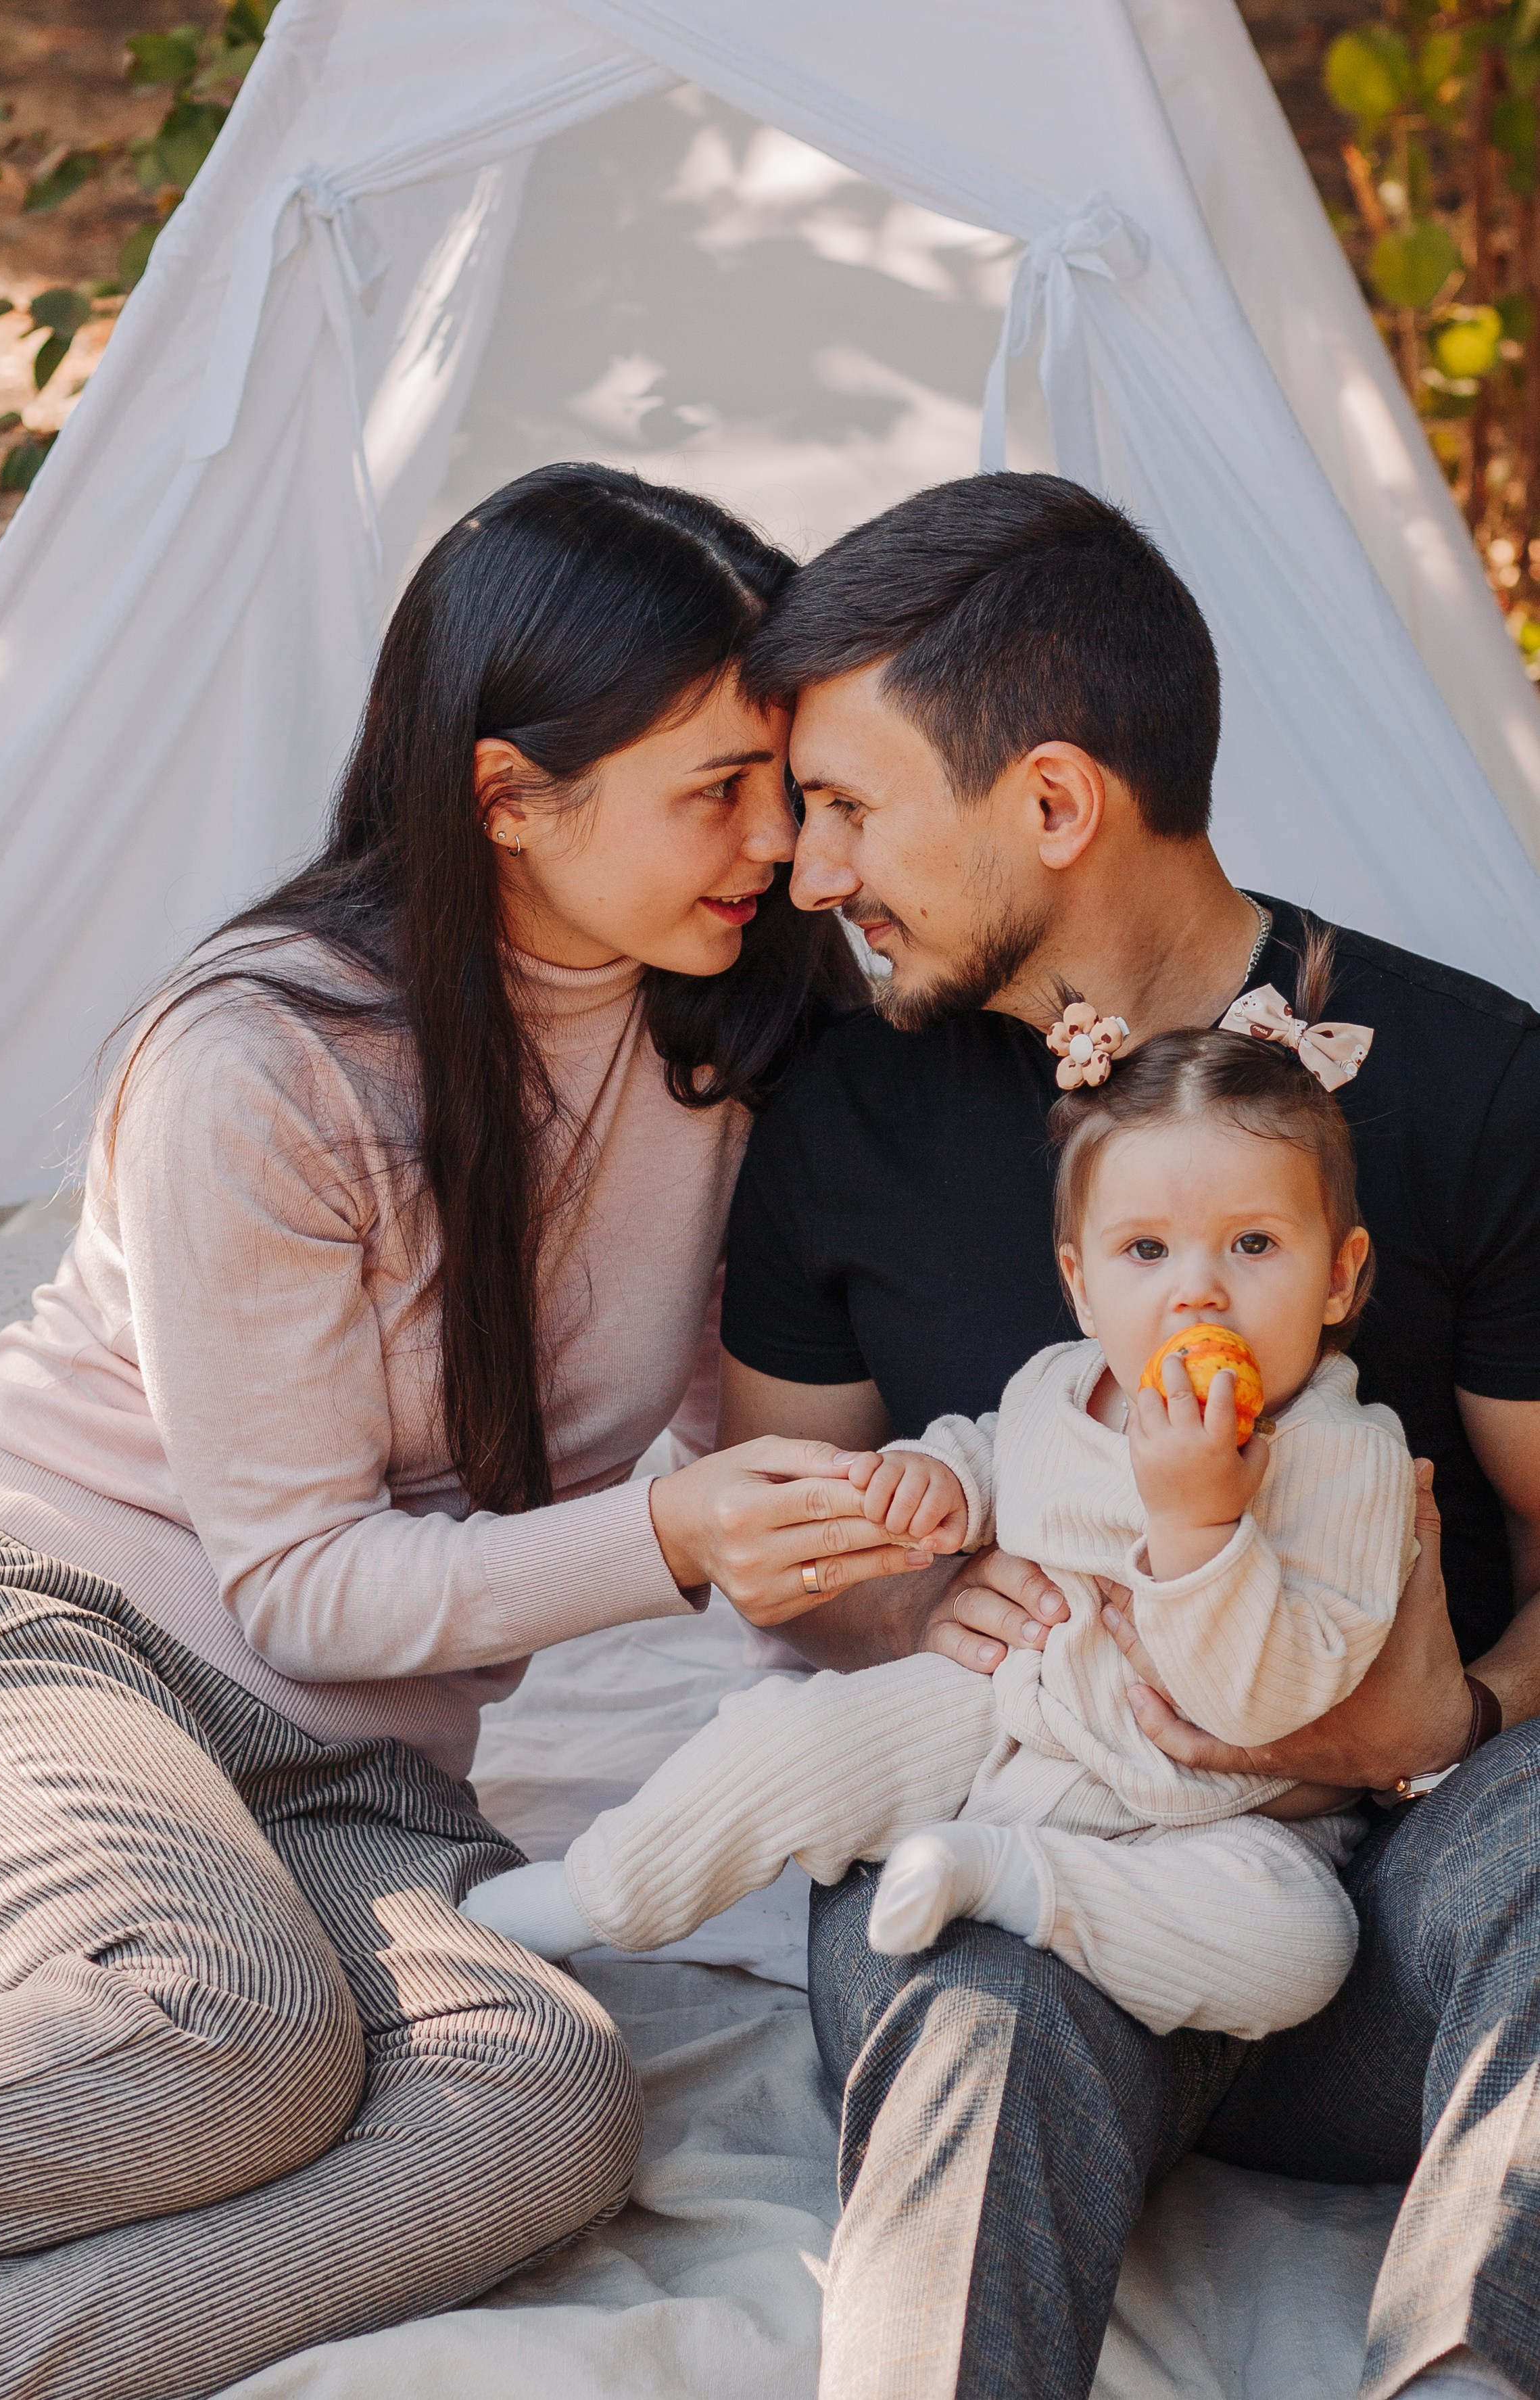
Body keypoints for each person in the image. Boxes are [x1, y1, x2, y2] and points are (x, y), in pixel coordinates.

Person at [0, 464, 924, 2400]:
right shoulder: (264, 1056)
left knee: (537, 2107)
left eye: (785, 784)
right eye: (711, 789)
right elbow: (299, 1580)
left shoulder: (740, 1041)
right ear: (505, 797)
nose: (776, 847)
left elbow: (789, 1483)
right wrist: (672, 1537)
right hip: (59, 1624)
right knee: (225, 2031)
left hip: (359, 1766)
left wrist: (948, 1591)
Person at [717, 472, 1540, 2400]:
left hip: (1395, 1914)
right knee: (958, 1940)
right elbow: (793, 1571)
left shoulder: (1467, 1079)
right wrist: (908, 1600)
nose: (808, 870)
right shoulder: (837, 1116)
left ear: (1055, 804)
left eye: (845, 806)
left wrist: (1457, 1716)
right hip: (1039, 1863)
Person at [466, 982, 1418, 2050]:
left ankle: (1014, 1878)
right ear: (1080, 1283)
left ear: (1338, 1277)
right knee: (795, 1735)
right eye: (1145, 1252)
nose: (1196, 1292)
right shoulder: (1063, 1383)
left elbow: (1268, 1703)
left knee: (1296, 1949)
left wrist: (1198, 1527)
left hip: (1215, 1810)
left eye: (1251, 1245)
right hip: (1012, 1714)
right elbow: (989, 1448)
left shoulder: (1350, 1456)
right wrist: (936, 1485)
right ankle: (600, 1892)